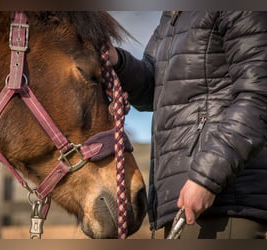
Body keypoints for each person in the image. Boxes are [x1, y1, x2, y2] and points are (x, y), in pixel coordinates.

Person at [109, 11, 267, 239]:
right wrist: (118, 61)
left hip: (224, 202)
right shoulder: (172, 18)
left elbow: (258, 98)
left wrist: (207, 179)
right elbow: (154, 90)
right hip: (183, 202)